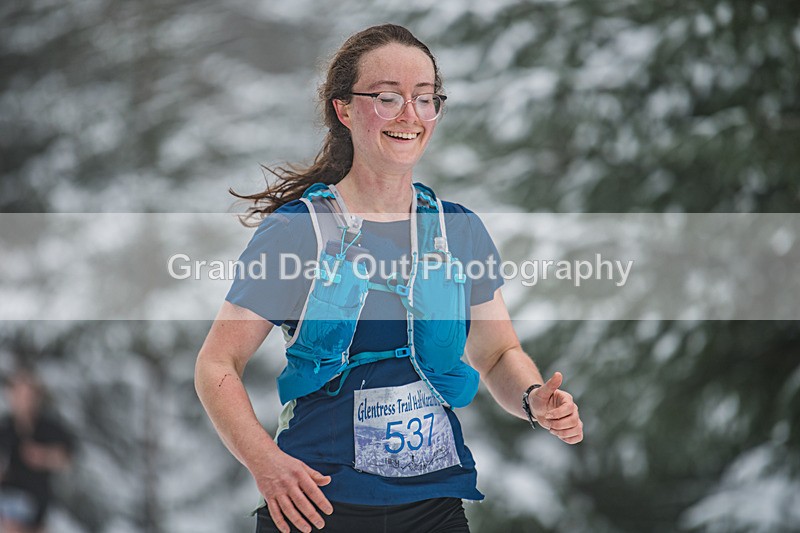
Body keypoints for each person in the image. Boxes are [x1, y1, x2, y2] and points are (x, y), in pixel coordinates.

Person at [195, 23, 583, 533]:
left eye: (425, 99)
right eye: (387, 96)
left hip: (434, 506)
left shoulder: (457, 230)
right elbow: (216, 363)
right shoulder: (299, 232)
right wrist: (265, 463)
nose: (410, 115)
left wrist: (534, 399)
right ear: (345, 109)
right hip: (317, 505)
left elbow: (495, 355)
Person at [0, 368, 74, 533]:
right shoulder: (5, 427)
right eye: (18, 393)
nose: (23, 400)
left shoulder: (49, 427)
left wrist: (45, 457)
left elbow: (67, 459)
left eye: (27, 394)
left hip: (37, 502)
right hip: (8, 502)